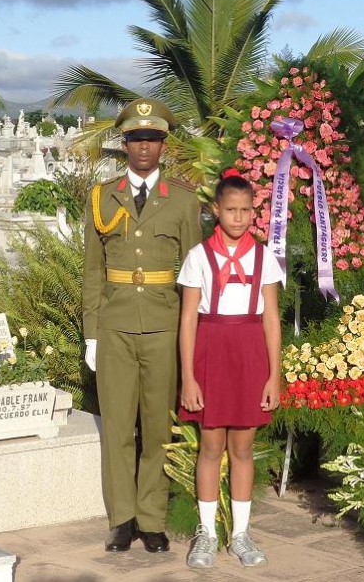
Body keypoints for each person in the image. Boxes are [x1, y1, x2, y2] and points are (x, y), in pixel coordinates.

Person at [82, 97, 202, 554]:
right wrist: (91, 331)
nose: (144, 147)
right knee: (116, 427)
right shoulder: (101, 197)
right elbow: (93, 270)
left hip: (164, 326)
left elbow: (193, 275)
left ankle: (151, 518)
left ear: (163, 144)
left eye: (152, 138)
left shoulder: (184, 202)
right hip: (113, 327)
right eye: (136, 138)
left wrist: (192, 338)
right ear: (124, 143)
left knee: (155, 428)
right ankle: (122, 518)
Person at [177, 170, 282, 570]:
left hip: (250, 353)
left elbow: (271, 317)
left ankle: (240, 533)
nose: (238, 218)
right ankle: (206, 532)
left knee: (242, 447)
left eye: (245, 211)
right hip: (211, 351)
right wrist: (188, 376)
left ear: (253, 212)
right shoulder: (199, 257)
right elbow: (188, 319)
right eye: (230, 210)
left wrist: (274, 374)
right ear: (215, 210)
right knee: (210, 445)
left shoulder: (263, 256)